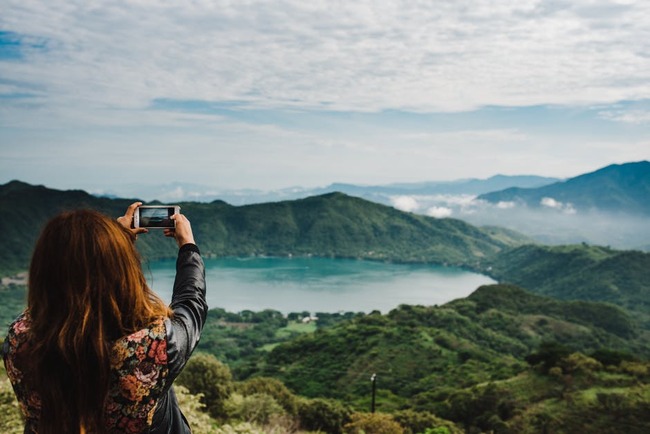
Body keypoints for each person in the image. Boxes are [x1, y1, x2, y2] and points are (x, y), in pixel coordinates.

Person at [2, 202, 207, 434]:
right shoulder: (152, 347)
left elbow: (64, 296)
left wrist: (117, 240)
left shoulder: (19, 341)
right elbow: (191, 304)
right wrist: (188, 246)